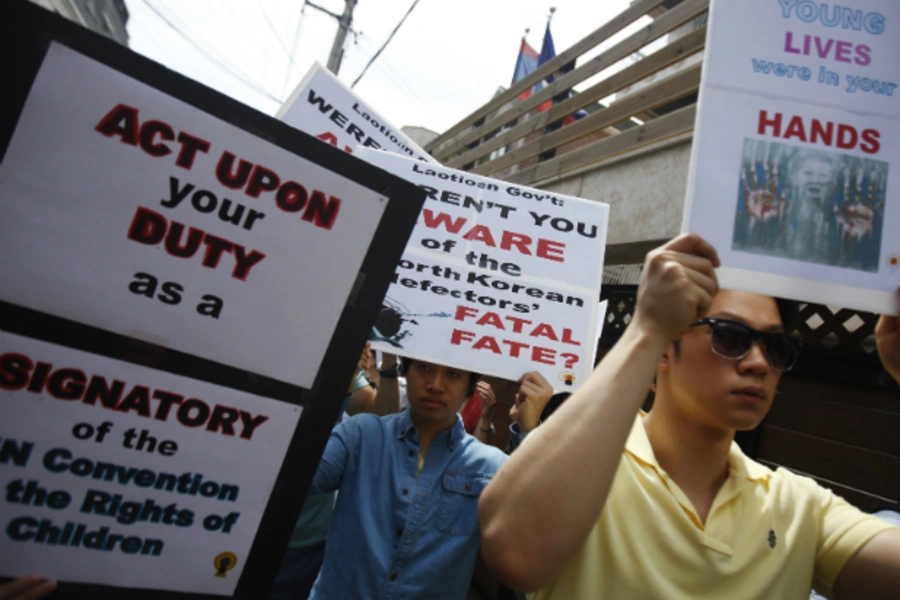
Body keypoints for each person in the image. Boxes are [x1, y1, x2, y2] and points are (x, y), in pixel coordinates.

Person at [478, 233, 900, 599]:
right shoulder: (583, 467)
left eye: (775, 347)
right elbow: (513, 553)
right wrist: (646, 327)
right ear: (664, 349)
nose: (758, 363)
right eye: (731, 337)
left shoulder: (797, 506)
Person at [307, 357, 552, 599]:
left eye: (453, 374)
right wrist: (336, 389)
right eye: (424, 368)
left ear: (470, 386)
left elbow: (536, 535)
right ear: (407, 370)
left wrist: (528, 432)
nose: (435, 384)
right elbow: (303, 478)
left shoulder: (488, 467)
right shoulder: (361, 434)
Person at [269, 347, 376, 600]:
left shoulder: (342, 354)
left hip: (313, 537)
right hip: (262, 526)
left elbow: (374, 408)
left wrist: (359, 370)